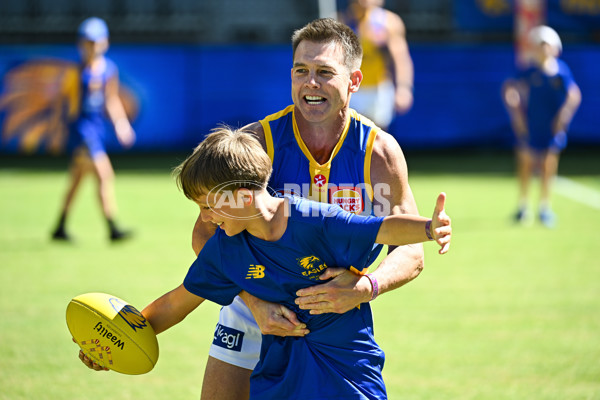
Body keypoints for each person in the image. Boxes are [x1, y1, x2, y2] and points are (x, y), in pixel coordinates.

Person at [80, 17, 424, 399]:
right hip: (252, 300)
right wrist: (254, 301)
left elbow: (410, 248)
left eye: (325, 72)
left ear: (354, 81)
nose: (311, 82)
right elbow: (206, 236)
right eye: (301, 70)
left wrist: (367, 286)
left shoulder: (379, 153)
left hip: (335, 314)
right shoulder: (258, 142)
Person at [80, 126, 452, 399]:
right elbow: (174, 304)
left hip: (347, 373)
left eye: (208, 205)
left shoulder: (314, 219)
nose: (206, 219)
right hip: (277, 378)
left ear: (242, 198)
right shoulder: (225, 251)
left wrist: (429, 229)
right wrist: (112, 340)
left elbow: (381, 229)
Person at [51, 17, 135, 241]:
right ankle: (113, 229)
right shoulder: (75, 73)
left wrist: (121, 124)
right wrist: (62, 132)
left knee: (77, 180)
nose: (91, 47)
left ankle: (59, 227)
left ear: (104, 43)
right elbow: (65, 106)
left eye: (95, 42)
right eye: (87, 42)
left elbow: (111, 99)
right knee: (104, 174)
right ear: (81, 44)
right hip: (82, 131)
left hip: (96, 130)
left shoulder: (108, 70)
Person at [502, 25, 581, 228]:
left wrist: (562, 117)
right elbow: (510, 88)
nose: (543, 49)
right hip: (530, 127)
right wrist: (515, 112)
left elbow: (574, 95)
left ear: (555, 48)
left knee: (548, 166)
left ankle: (545, 208)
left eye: (547, 45)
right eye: (540, 45)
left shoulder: (560, 72)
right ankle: (523, 207)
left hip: (551, 129)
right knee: (525, 164)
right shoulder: (529, 72)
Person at [340, 0, 414, 130]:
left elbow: (400, 58)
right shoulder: (341, 22)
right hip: (349, 90)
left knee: (377, 138)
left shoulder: (389, 22)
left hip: (378, 90)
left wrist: (404, 88)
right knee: (347, 137)